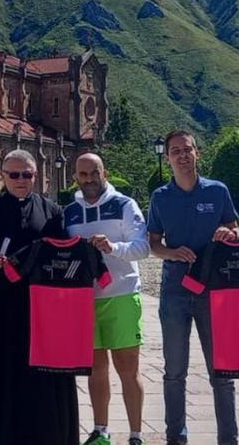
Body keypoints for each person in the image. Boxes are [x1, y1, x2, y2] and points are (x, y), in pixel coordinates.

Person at [0, 149, 75, 445]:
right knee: (0, 375)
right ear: (2, 176)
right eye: (14, 174)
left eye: (27, 174)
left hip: (41, 309)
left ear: (36, 175)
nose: (21, 180)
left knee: (41, 379)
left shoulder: (52, 211)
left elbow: (63, 255)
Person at [147, 130, 239, 445]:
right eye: (175, 151)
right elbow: (154, 244)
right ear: (168, 157)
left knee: (222, 371)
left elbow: (234, 226)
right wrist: (171, 252)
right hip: (175, 287)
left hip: (213, 287)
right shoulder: (160, 196)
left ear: (197, 153)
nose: (182, 155)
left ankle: (228, 438)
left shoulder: (217, 191)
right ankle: (176, 437)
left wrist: (227, 232)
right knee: (174, 370)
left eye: (187, 149)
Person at [64, 153, 150, 445]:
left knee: (128, 369)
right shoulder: (69, 211)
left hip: (121, 295)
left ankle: (136, 434)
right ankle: (101, 431)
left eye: (94, 173)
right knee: (96, 369)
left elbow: (142, 248)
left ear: (105, 172)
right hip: (85, 300)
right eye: (83, 174)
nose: (89, 179)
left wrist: (113, 247)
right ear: (76, 176)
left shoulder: (125, 205)